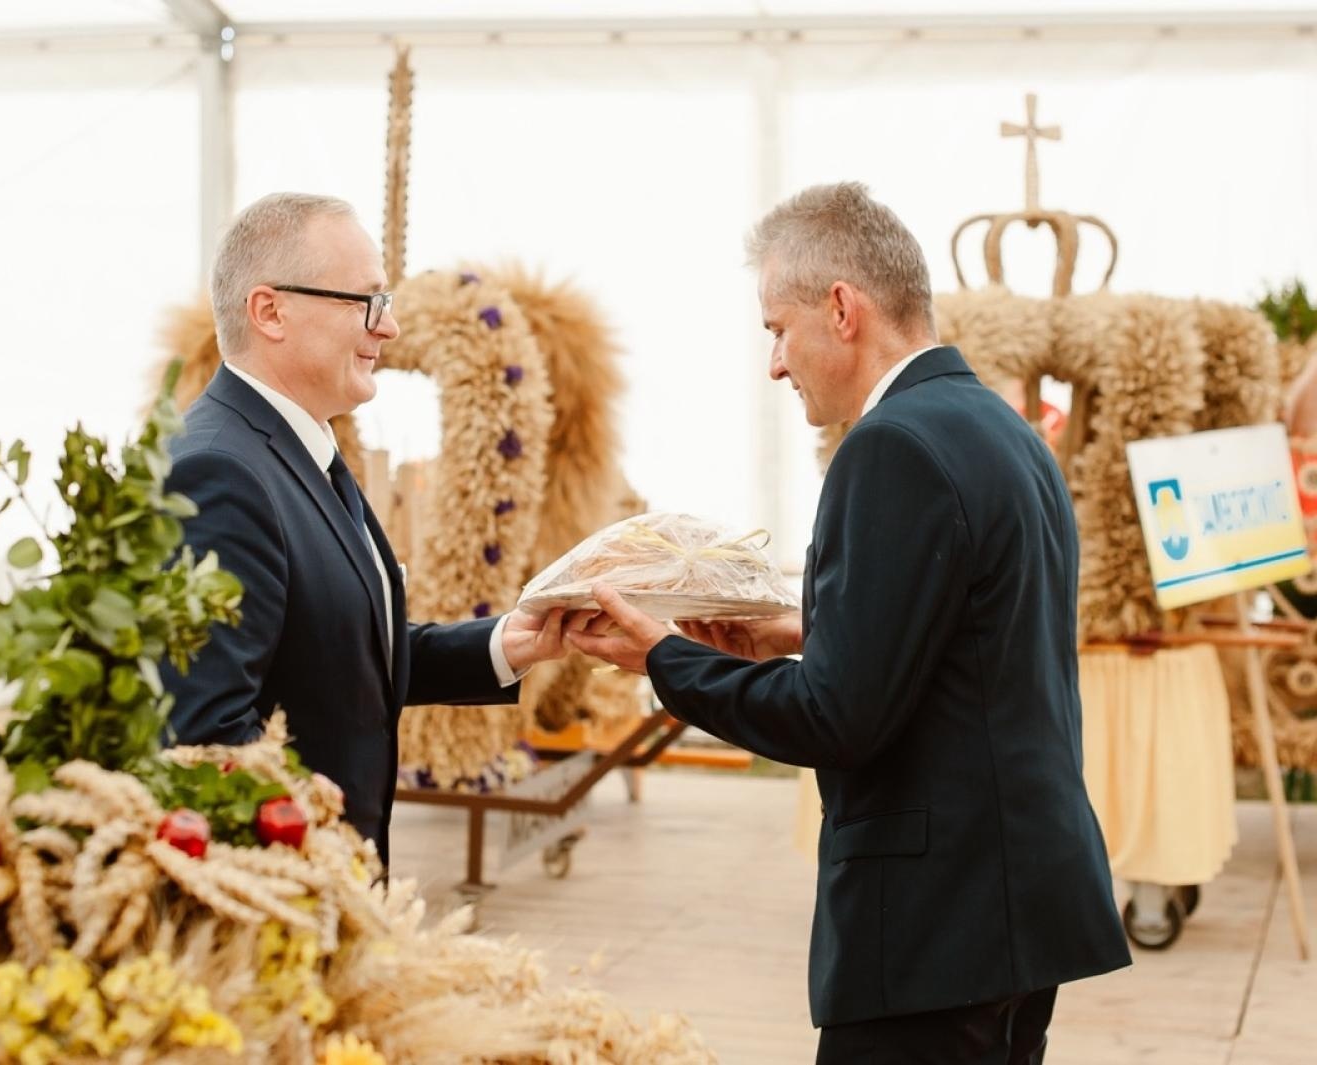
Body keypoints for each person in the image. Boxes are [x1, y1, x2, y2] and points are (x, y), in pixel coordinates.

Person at [566, 183, 1130, 1065]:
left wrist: (662, 656)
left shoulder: (890, 446)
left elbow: (837, 717)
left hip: (936, 923)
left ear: (841, 308)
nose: (775, 364)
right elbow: (977, 632)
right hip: (1019, 903)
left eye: (776, 330)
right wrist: (802, 627)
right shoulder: (1002, 430)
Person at [162, 192, 567, 865]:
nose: (390, 328)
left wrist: (507, 642)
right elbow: (208, 738)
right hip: (286, 895)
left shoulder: (295, 447)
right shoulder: (219, 473)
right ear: (270, 311)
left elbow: (335, 652)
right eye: (367, 301)